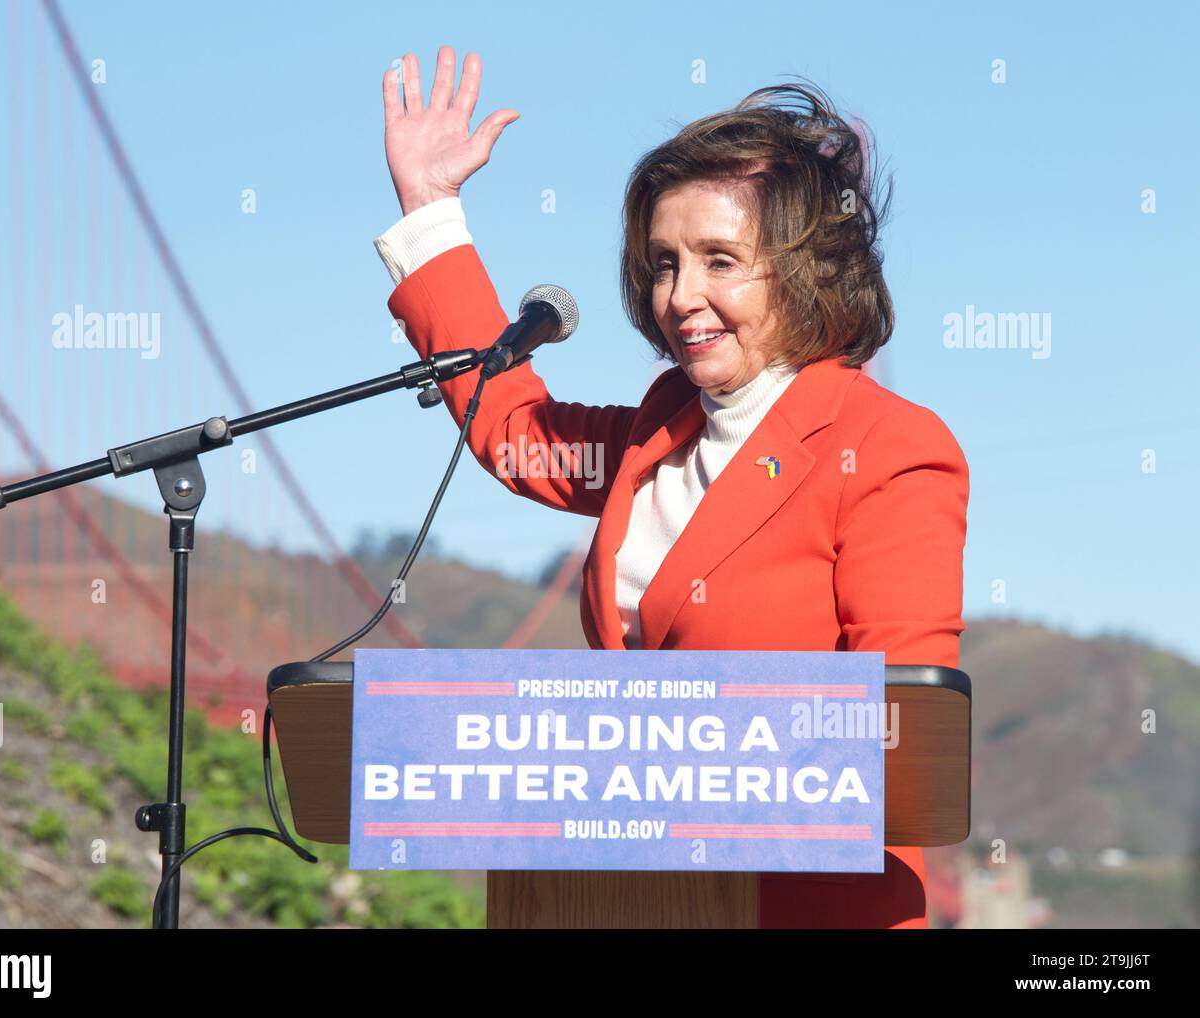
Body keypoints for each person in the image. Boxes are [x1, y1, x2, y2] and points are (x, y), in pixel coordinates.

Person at [375, 47, 969, 929]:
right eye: (662, 262)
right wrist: (430, 211)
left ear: (805, 268)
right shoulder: (663, 427)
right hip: (623, 899)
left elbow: (901, 739)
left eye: (719, 260)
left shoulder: (888, 447)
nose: (679, 295)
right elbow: (516, 437)